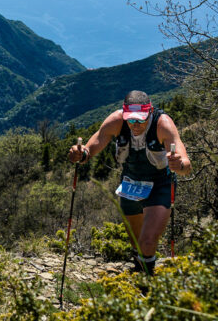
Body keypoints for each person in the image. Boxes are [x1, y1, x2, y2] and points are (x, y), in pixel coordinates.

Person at [68, 90, 191, 275]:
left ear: (149, 112)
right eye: (130, 119)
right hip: (130, 183)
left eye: (140, 120)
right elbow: (94, 144)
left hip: (160, 184)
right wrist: (82, 154)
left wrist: (179, 164)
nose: (135, 125)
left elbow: (186, 164)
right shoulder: (116, 121)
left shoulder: (163, 124)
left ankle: (146, 287)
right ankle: (140, 274)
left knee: (147, 242)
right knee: (136, 241)